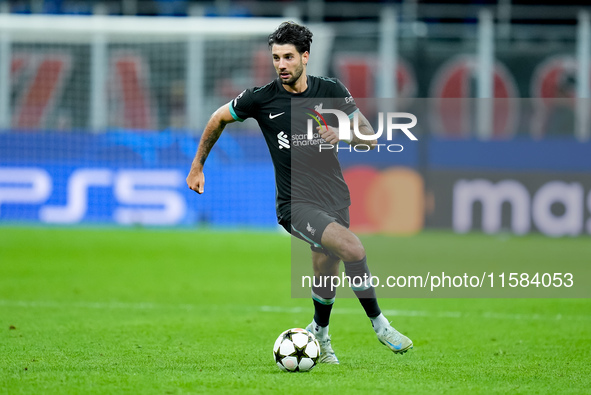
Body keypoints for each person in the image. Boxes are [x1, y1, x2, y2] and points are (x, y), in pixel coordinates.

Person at [186, 21, 413, 364]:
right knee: (352, 248)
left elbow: (371, 138)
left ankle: (320, 335)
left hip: (335, 198)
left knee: (326, 267)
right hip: (295, 204)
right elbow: (218, 118)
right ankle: (381, 325)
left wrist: (345, 135)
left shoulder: (331, 90)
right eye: (276, 57)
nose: (281, 64)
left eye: (288, 57)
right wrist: (197, 166)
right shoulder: (261, 99)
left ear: (305, 57)